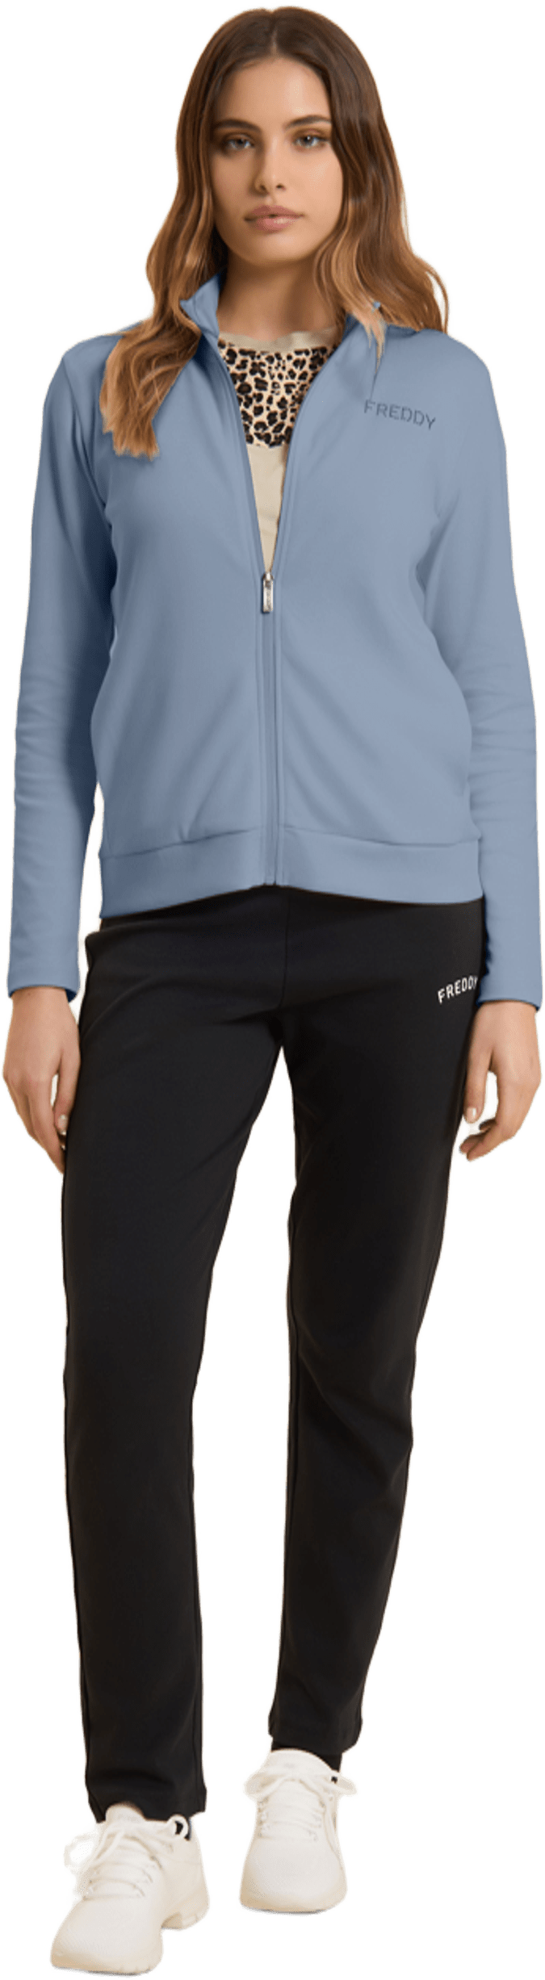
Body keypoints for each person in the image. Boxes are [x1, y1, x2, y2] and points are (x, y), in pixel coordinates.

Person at [2, 8, 543, 1967]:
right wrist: (36, 967)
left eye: (308, 136)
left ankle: (305, 1762)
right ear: (198, 166)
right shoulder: (104, 385)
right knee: (128, 1347)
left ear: (357, 159)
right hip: (170, 927)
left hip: (406, 924)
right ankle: (140, 1815)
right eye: (236, 139)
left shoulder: (441, 391)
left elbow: (492, 680)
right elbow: (52, 692)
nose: (272, 173)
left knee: (355, 1353)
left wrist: (514, 971)